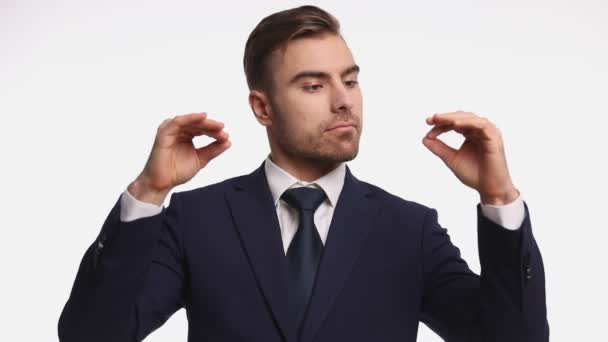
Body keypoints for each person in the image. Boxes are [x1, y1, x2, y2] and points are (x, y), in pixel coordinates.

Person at [58, 5, 549, 342]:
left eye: (351, 80)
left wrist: (499, 196)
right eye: (314, 85)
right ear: (262, 107)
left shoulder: (409, 229)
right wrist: (149, 191)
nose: (343, 100)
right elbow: (92, 335)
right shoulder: (196, 219)